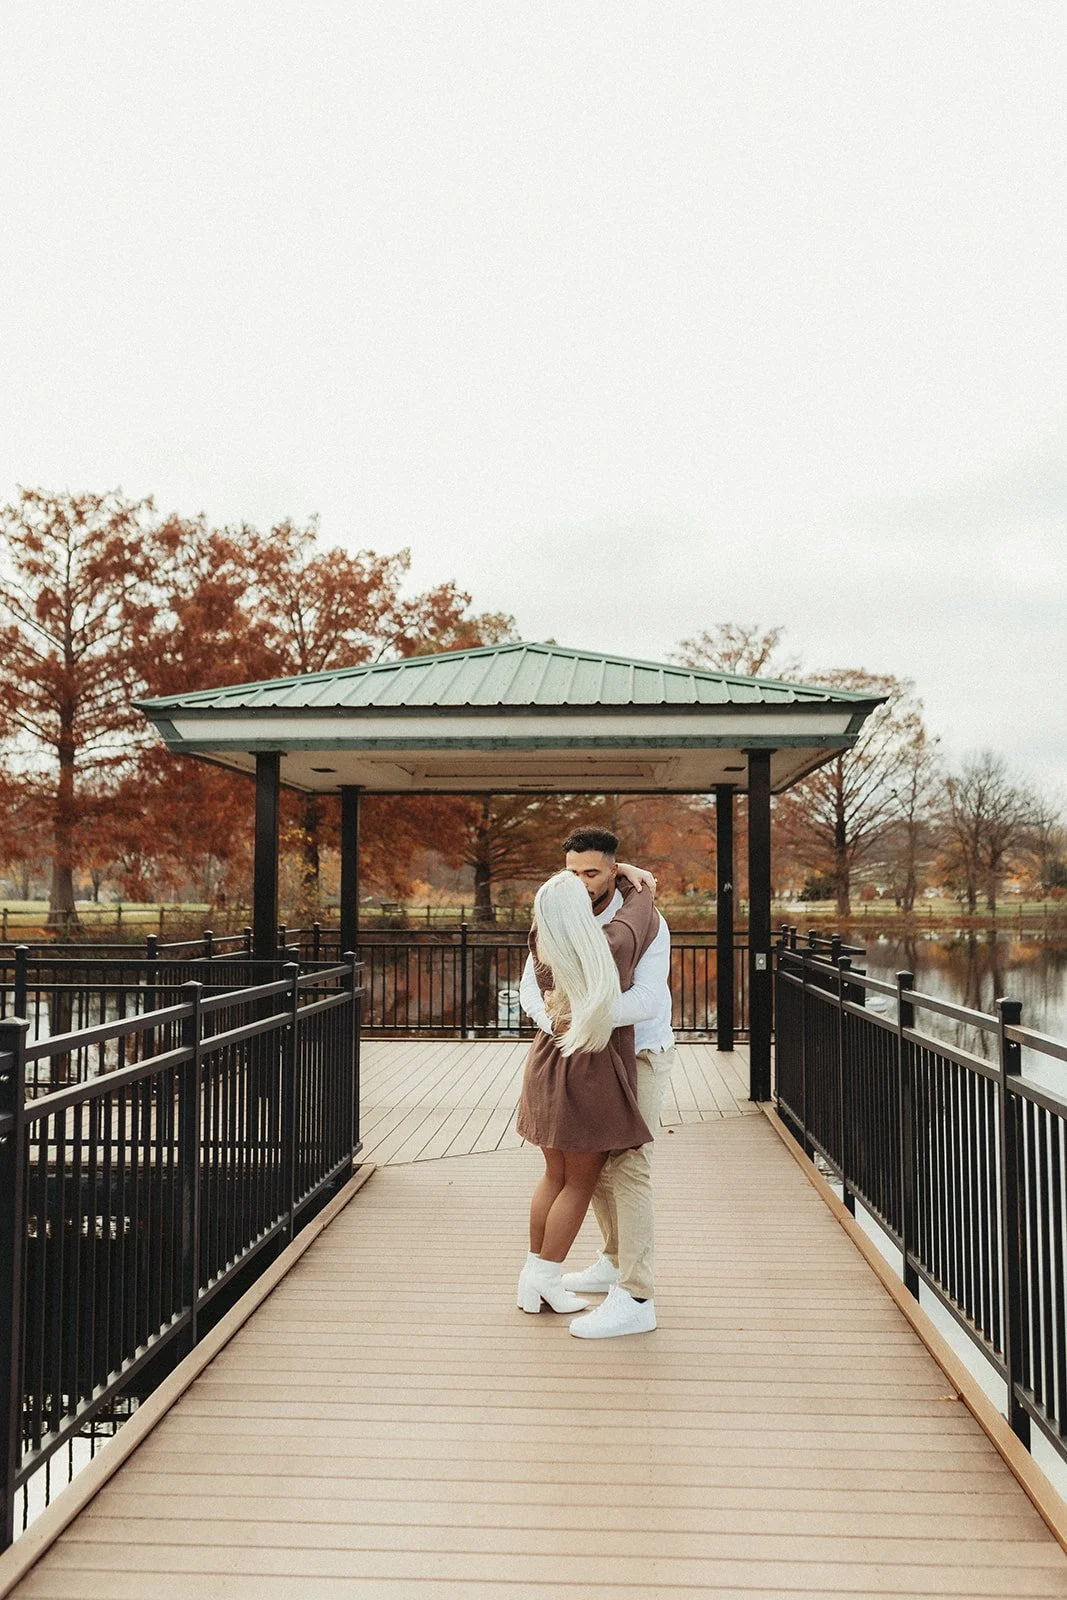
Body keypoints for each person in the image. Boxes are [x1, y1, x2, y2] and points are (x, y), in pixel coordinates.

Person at [520, 828, 675, 1339]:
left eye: (593, 872)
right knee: (597, 1169)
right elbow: (529, 990)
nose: (583, 882)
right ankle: (612, 1261)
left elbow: (648, 1000)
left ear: (613, 870)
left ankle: (636, 1295)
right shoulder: (559, 916)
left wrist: (582, 1015)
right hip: (582, 1053)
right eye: (573, 872)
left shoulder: (647, 924)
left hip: (641, 1053)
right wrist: (557, 1022)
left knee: (628, 1166)